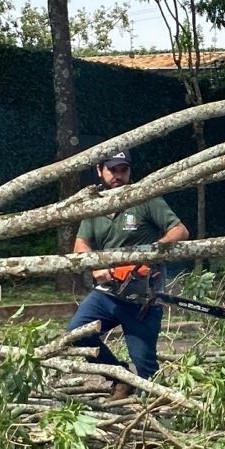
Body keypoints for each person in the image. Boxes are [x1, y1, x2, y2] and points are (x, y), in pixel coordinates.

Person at [66, 149, 189, 398]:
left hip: (141, 296)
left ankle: (152, 410)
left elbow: (179, 231)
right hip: (108, 292)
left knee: (145, 367)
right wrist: (96, 267)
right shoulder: (95, 204)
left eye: (123, 170)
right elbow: (81, 244)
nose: (118, 175)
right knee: (77, 334)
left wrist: (150, 256)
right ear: (99, 170)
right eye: (113, 170)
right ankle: (119, 377)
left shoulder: (144, 198)